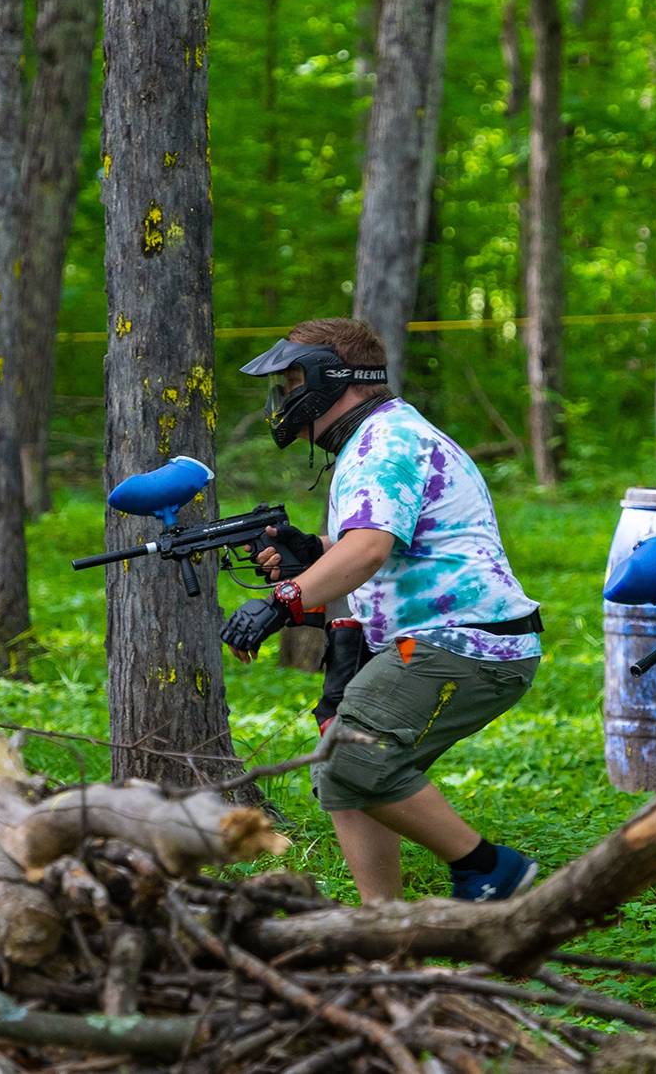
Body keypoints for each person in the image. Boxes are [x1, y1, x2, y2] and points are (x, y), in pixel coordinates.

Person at [221, 318, 544, 904]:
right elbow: (385, 545)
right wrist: (311, 553)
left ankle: (492, 870)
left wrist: (281, 601)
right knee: (341, 775)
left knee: (351, 756)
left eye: (292, 382)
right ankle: (383, 923)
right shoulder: (381, 437)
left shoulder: (385, 444)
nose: (284, 399)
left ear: (329, 378)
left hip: (465, 641)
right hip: (450, 639)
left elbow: (368, 550)